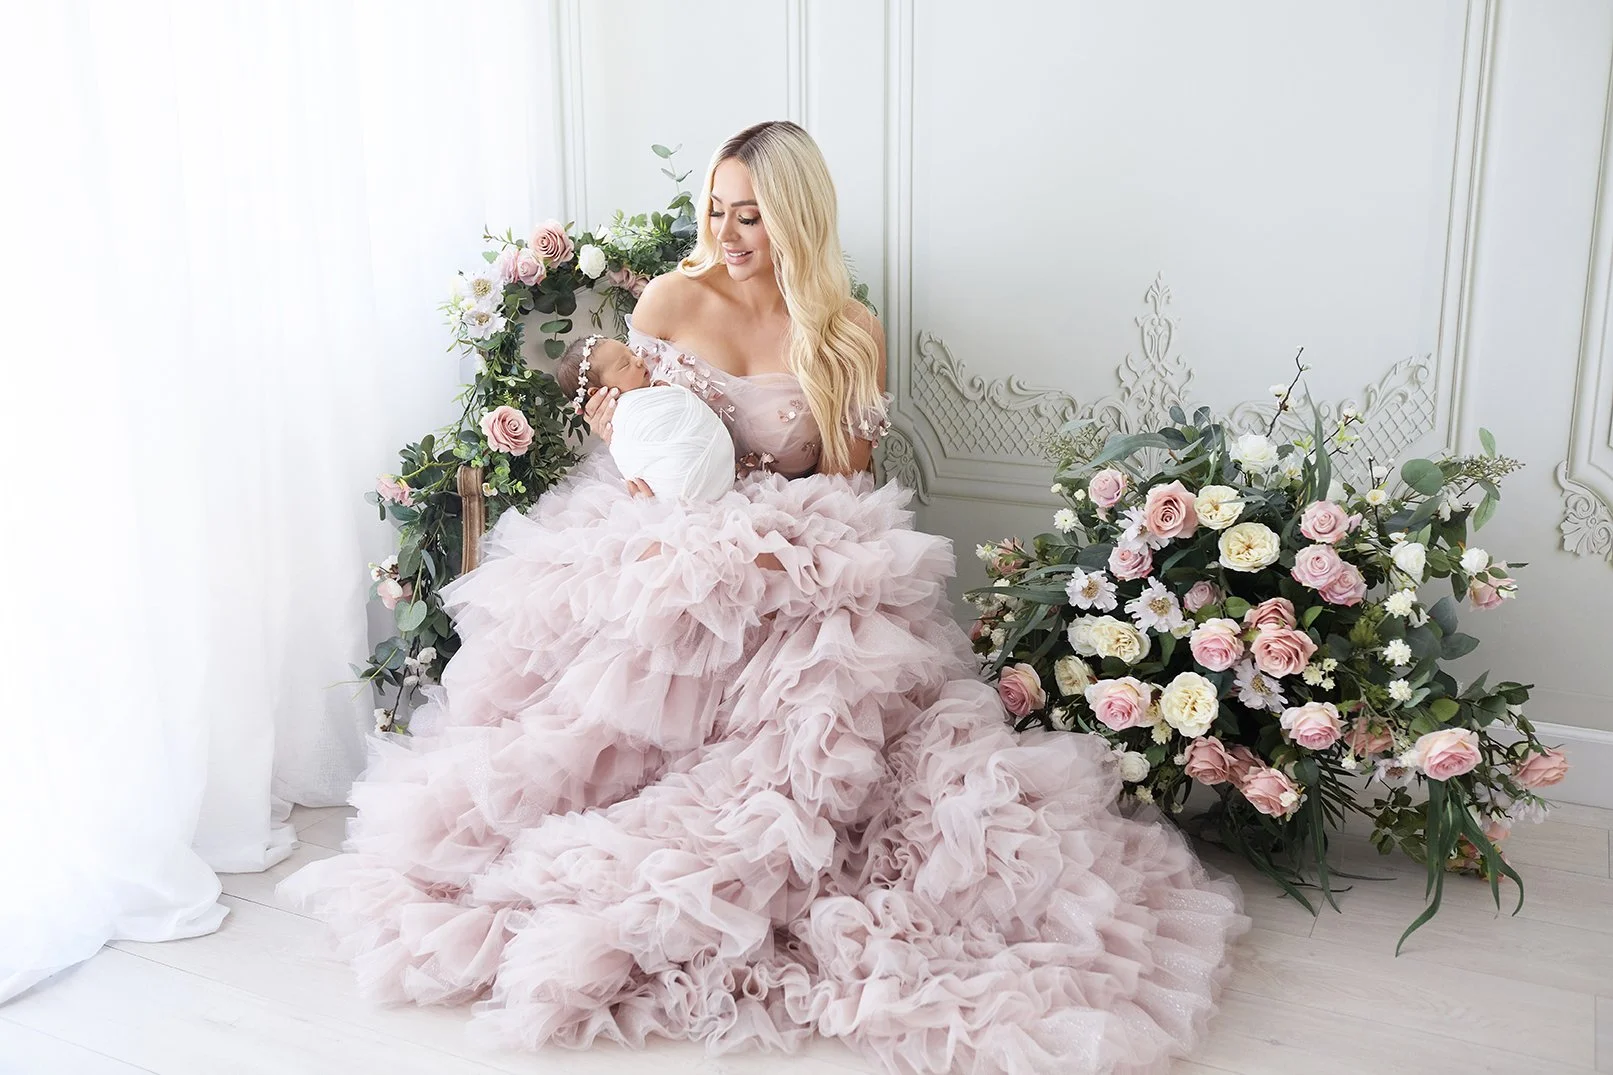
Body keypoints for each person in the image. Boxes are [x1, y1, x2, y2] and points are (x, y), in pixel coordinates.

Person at [281, 120, 1247, 1075]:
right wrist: (623, 439)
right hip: (665, 530)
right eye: (717, 211)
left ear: (797, 218)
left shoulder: (847, 330)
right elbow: (642, 439)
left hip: (798, 537)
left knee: (835, 695)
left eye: (750, 215)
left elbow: (848, 483)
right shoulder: (669, 300)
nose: (729, 234)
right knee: (622, 665)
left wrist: (774, 546)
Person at [554, 333, 735, 502]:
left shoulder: (652, 393)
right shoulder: (625, 415)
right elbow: (631, 455)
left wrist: (666, 392)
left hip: (718, 468)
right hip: (684, 486)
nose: (639, 360)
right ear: (598, 393)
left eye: (633, 353)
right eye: (625, 365)